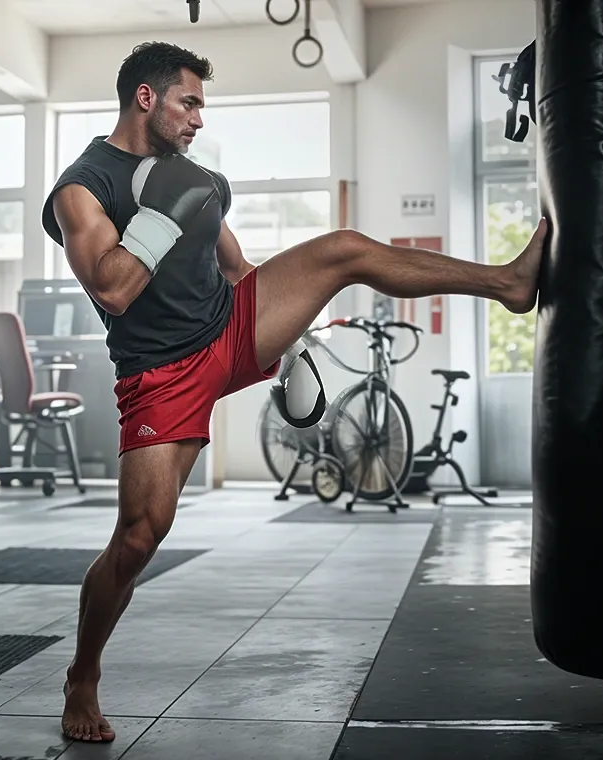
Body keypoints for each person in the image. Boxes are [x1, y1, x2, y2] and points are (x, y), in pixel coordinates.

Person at [41, 41, 546, 743]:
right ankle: (82, 677)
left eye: (201, 108)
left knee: (342, 250)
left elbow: (239, 266)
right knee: (138, 538)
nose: (197, 120)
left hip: (227, 326)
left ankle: (506, 284)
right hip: (160, 372)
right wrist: (161, 212)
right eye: (189, 103)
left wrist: (292, 332)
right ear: (146, 98)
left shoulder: (192, 177)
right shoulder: (82, 187)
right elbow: (115, 291)